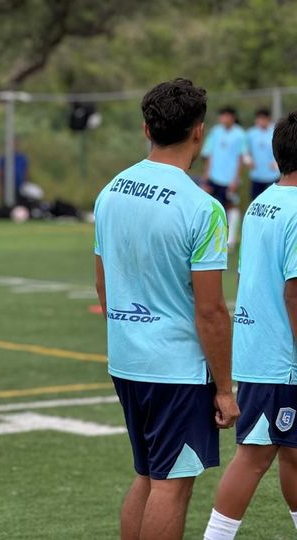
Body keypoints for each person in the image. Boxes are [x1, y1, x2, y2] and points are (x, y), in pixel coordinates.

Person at [94, 79, 240, 540]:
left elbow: (102, 283)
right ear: (199, 132)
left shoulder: (111, 190)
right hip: (175, 367)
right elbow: (212, 310)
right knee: (171, 486)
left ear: (146, 128)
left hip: (127, 359)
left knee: (147, 475)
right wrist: (224, 388)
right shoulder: (204, 207)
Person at [203, 112, 297, 540]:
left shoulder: (263, 202)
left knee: (290, 452)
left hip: (259, 346)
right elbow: (294, 293)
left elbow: (247, 274)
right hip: (283, 357)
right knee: (255, 455)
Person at [201, 106, 247, 249]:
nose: (224, 119)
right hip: (214, 177)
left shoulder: (240, 134)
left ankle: (231, 240)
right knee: (212, 206)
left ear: (233, 118)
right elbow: (208, 154)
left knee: (231, 206)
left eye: (227, 116)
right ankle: (212, 237)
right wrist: (206, 174)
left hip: (230, 180)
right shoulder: (215, 132)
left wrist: (235, 179)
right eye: (222, 116)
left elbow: (241, 158)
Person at [245, 108, 280, 201]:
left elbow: (282, 148)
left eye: (263, 118)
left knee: (272, 200)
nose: (261, 121)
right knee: (256, 200)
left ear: (268, 119)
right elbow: (245, 150)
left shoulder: (276, 131)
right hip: (256, 174)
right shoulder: (250, 133)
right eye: (259, 118)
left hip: (272, 175)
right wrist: (248, 160)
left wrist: (277, 162)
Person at [0, 139, 29, 206]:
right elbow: (0, 173)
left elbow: (25, 172)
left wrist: (26, 185)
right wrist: (1, 187)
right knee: (7, 205)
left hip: (20, 186)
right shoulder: (4, 157)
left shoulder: (22, 157)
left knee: (20, 205)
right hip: (7, 186)